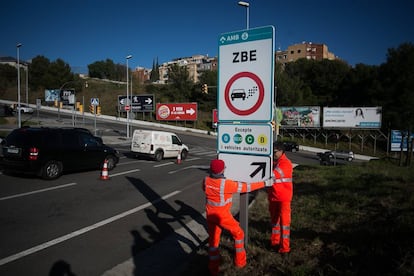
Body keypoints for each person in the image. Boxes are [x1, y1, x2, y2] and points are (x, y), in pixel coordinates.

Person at [203, 159, 273, 275]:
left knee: (213, 242)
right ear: (222, 170)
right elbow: (247, 187)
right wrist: (265, 183)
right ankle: (240, 262)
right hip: (223, 216)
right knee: (239, 233)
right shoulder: (227, 185)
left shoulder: (206, 181)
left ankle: (213, 268)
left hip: (210, 215)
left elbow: (204, 188)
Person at [267, 141, 294, 254]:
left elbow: (273, 175)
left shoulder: (286, 163)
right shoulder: (275, 162)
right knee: (275, 222)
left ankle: (285, 248)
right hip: (274, 197)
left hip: (283, 198)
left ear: (281, 151)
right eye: (272, 152)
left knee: (284, 224)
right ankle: (274, 243)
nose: (273, 154)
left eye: (275, 152)